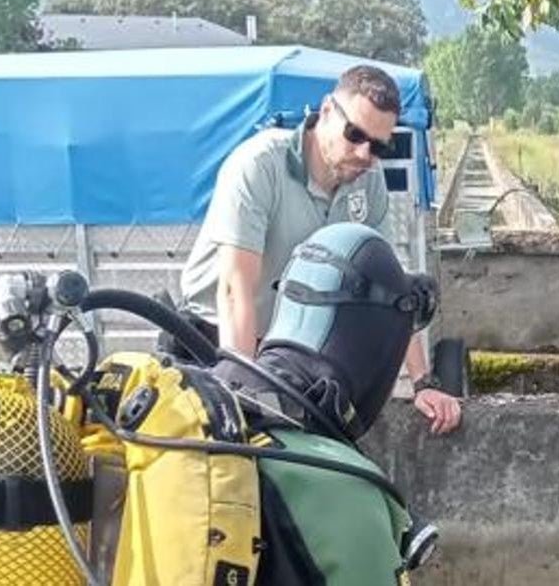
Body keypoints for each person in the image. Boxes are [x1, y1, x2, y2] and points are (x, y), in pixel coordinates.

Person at [179, 64, 462, 434]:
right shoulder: (259, 166)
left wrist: (423, 383)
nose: (364, 154)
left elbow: (389, 293)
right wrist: (241, 396)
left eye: (379, 146)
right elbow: (235, 292)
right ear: (326, 111)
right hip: (217, 339)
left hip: (291, 350)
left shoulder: (369, 181)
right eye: (355, 134)